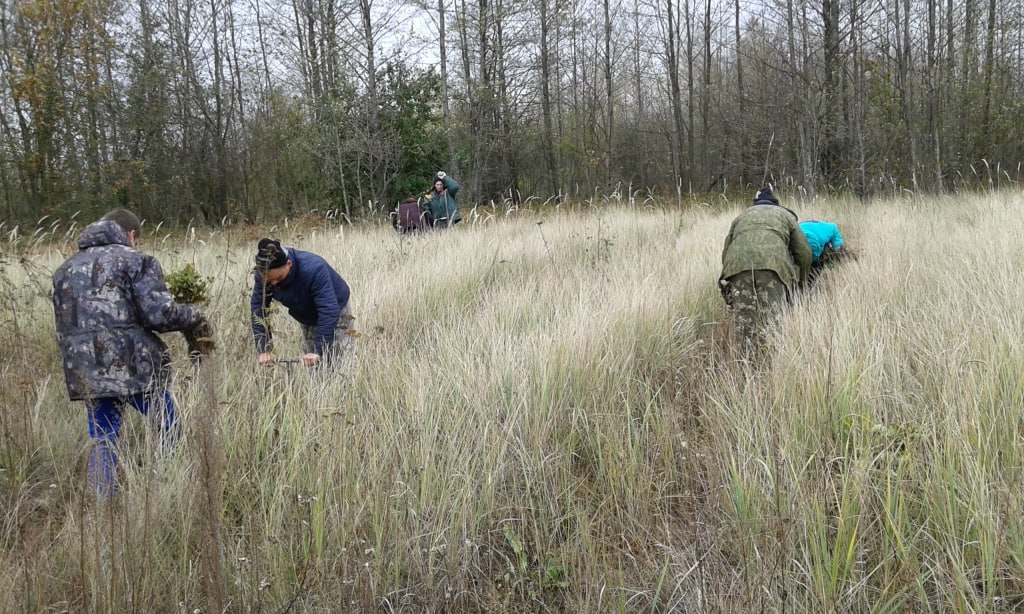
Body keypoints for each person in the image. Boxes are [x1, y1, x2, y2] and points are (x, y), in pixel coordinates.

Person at [52, 208, 213, 497]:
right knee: (167, 426)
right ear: (131, 235)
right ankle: (169, 489)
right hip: (134, 368)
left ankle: (104, 504)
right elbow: (159, 316)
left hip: (86, 372)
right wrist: (194, 316)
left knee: (103, 438)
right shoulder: (136, 261)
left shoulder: (65, 269)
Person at [719, 187, 812, 350]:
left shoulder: (741, 217)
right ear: (776, 203)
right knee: (772, 322)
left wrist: (730, 274)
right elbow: (804, 253)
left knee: (745, 324)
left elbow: (726, 251)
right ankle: (772, 366)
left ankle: (745, 366)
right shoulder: (786, 215)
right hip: (773, 269)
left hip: (737, 267)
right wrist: (802, 283)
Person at [251, 238, 355, 368]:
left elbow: (329, 310)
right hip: (305, 313)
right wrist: (264, 348)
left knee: (341, 358)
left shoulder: (313, 268)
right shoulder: (264, 276)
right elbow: (258, 309)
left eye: (278, 279)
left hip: (336, 308)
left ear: (289, 264)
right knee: (313, 364)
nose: (273, 284)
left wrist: (318, 350)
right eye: (268, 281)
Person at [800, 220, 845, 290]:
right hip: (802, 239)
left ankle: (809, 287)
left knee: (813, 270)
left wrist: (835, 252)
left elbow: (838, 245)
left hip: (813, 241)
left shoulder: (829, 230)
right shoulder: (796, 234)